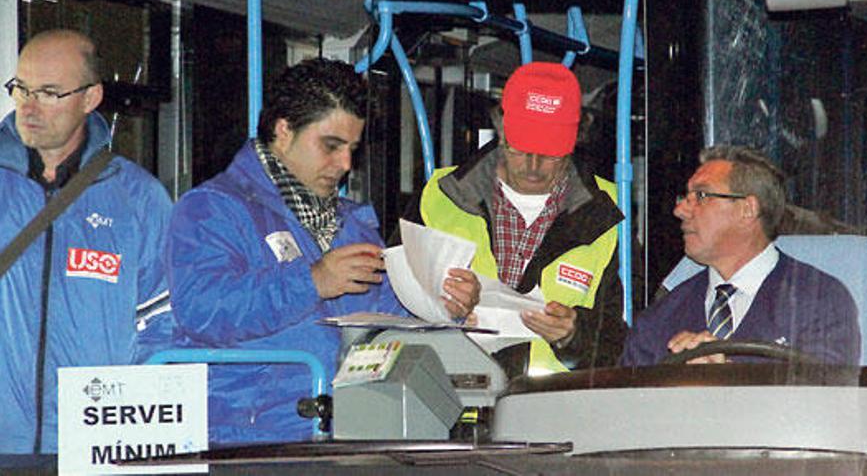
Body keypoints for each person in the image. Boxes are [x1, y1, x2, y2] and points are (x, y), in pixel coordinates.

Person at [166, 58, 431, 445]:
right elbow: (203, 310)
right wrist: (311, 282)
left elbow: (386, 318)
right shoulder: (211, 209)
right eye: (331, 145)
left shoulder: (354, 225)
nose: (345, 164)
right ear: (283, 131)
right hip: (247, 437)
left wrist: (434, 302)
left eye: (352, 149)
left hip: (349, 429)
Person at [399, 62, 633, 377]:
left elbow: (627, 344)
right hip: (453, 399)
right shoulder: (439, 197)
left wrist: (573, 335)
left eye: (551, 154)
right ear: (500, 128)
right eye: (520, 149)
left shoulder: (607, 212)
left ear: (576, 139)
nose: (533, 168)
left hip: (558, 409)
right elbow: (388, 308)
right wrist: (440, 312)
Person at [0, 29, 172, 453]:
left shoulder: (139, 200)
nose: (28, 106)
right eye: (21, 88)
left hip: (93, 445)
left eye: (49, 92)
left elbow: (165, 328)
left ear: (90, 98)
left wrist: (129, 427)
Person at [621, 146, 860, 366]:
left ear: (748, 209)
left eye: (702, 196)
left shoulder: (819, 300)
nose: (680, 210)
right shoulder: (660, 319)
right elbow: (628, 405)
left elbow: (829, 398)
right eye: (684, 197)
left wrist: (727, 376)